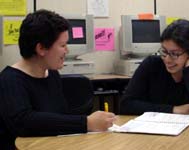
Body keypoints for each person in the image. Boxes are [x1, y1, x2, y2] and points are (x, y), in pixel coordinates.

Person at [0, 9, 116, 149]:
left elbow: (58, 118)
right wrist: (87, 122)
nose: (67, 50)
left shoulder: (52, 74)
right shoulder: (10, 80)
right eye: (62, 45)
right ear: (41, 48)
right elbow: (24, 122)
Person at [120, 19, 189, 119]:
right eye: (164, 51)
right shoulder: (152, 65)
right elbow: (126, 105)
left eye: (175, 54)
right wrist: (173, 109)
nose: (167, 60)